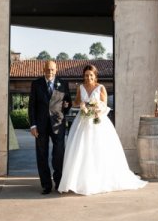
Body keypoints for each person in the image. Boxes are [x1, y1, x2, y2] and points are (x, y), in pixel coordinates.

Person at [58, 64, 147, 195]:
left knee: (99, 150)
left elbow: (104, 106)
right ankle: (80, 182)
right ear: (84, 76)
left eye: (91, 75)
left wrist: (97, 109)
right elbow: (76, 102)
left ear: (95, 76)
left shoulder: (101, 88)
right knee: (81, 150)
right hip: (82, 122)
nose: (88, 78)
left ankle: (100, 180)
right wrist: (80, 104)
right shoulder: (80, 88)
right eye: (86, 75)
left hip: (98, 122)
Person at [28, 59, 72, 195]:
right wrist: (33, 125)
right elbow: (32, 106)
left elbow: (68, 102)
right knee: (42, 155)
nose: (50, 72)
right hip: (40, 126)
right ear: (43, 70)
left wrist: (67, 105)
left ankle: (59, 183)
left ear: (56, 70)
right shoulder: (36, 84)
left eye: (52, 69)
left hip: (58, 124)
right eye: (47, 69)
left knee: (58, 154)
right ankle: (46, 185)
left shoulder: (63, 83)